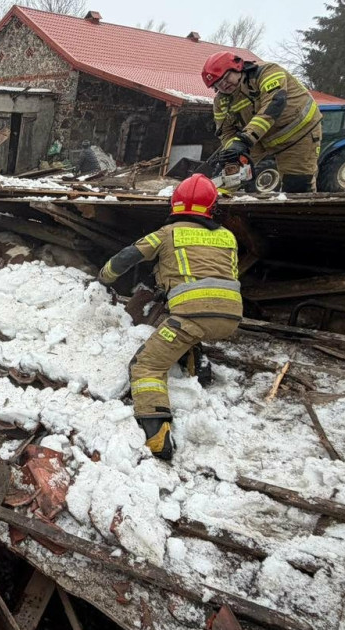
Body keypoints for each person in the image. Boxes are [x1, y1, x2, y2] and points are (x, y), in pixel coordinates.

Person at [97, 174, 242, 460]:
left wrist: (103, 277)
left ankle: (157, 435)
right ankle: (196, 367)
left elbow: (127, 257)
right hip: (230, 317)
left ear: (174, 204)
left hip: (191, 317)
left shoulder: (167, 233)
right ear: (211, 207)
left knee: (146, 366)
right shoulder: (228, 236)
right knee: (182, 331)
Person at [203, 52, 323, 193]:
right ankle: (219, 205)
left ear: (237, 67)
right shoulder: (221, 101)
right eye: (217, 84)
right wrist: (232, 150)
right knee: (227, 175)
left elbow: (274, 104)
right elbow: (225, 132)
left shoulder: (268, 71)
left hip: (298, 131)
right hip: (258, 137)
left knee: (297, 186)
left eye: (225, 78)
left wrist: (245, 140)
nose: (223, 85)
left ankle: (302, 212)